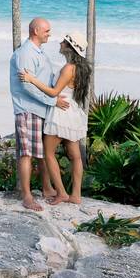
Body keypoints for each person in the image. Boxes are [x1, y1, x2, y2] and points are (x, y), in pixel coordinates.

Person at [19, 32, 91, 205]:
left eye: (64, 41)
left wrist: (31, 79)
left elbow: (53, 92)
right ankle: (76, 195)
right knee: (75, 157)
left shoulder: (68, 68)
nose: (60, 43)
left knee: (48, 153)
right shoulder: (81, 68)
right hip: (72, 111)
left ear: (69, 47)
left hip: (61, 113)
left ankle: (61, 193)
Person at [9, 17, 70, 211]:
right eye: (46, 31)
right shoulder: (25, 53)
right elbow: (27, 87)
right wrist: (53, 101)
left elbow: (47, 81)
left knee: (42, 153)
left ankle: (46, 188)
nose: (49, 34)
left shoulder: (40, 53)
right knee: (26, 153)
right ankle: (27, 196)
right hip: (28, 109)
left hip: (42, 109)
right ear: (35, 31)